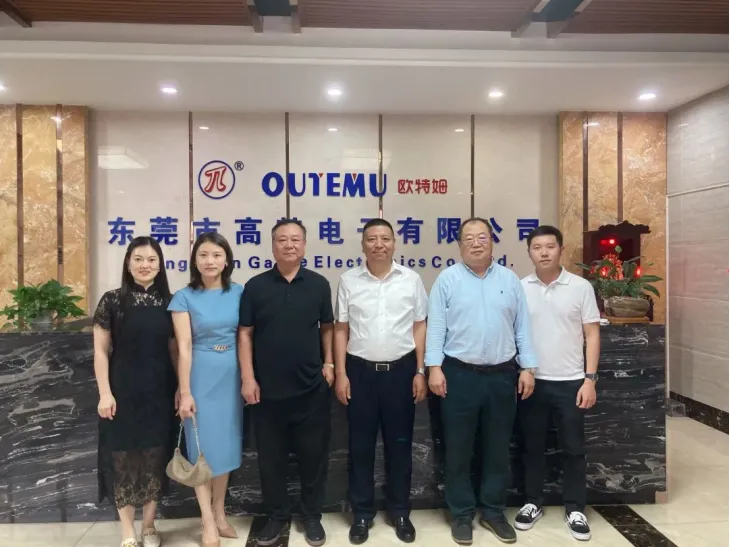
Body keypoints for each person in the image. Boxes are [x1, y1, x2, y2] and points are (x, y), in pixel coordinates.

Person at [426, 217, 538, 546]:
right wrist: (434, 367)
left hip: (502, 376)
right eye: (469, 238)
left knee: (497, 447)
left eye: (482, 237)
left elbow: (522, 327)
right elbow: (436, 327)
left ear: (492, 242)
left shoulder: (509, 280)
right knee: (458, 448)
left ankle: (493, 511)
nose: (476, 243)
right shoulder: (447, 280)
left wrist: (528, 367)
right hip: (459, 375)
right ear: (459, 245)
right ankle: (461, 514)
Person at [238, 218, 335, 547]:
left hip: (311, 389)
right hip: (266, 392)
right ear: (273, 246)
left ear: (304, 245)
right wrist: (248, 377)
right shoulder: (255, 287)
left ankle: (312, 516)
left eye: (295, 239)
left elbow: (327, 327)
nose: (289, 245)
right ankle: (277, 516)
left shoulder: (319, 284)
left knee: (313, 458)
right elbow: (245, 333)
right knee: (271, 461)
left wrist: (329, 364)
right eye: (282, 239)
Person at [334, 218, 428, 545]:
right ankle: (362, 513)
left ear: (394, 243)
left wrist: (420, 371)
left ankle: (399, 511)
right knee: (360, 447)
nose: (378, 244)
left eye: (385, 238)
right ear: (362, 244)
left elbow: (419, 325)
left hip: (401, 372)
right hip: (359, 373)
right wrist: (341, 373)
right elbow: (341, 329)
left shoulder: (411, 280)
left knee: (399, 445)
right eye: (372, 239)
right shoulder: (348, 281)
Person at [514, 225, 600, 542]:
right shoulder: (520, 287)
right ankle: (532, 502)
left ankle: (575, 508)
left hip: (571, 382)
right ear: (529, 252)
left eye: (550, 246)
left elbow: (592, 334)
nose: (544, 253)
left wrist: (590, 379)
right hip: (532, 380)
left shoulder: (580, 287)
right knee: (532, 446)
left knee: (573, 448)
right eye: (537, 247)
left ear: (561, 250)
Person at [93, 236, 177, 547]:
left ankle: (149, 526)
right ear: (128, 264)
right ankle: (127, 529)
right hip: (122, 390)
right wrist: (105, 393)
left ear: (160, 265)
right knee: (123, 456)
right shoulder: (112, 301)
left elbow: (176, 350)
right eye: (138, 259)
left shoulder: (171, 302)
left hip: (160, 389)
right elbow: (100, 352)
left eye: (152, 260)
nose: (145, 265)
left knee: (156, 455)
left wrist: (181, 389)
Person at [170, 232, 244, 547]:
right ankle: (207, 521)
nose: (209, 261)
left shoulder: (240, 292)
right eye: (203, 255)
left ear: (226, 260)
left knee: (224, 448)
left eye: (216, 255)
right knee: (201, 448)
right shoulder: (183, 297)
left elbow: (245, 337)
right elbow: (184, 347)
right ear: (195, 261)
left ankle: (219, 511)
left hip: (232, 375)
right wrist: (185, 390)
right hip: (200, 374)